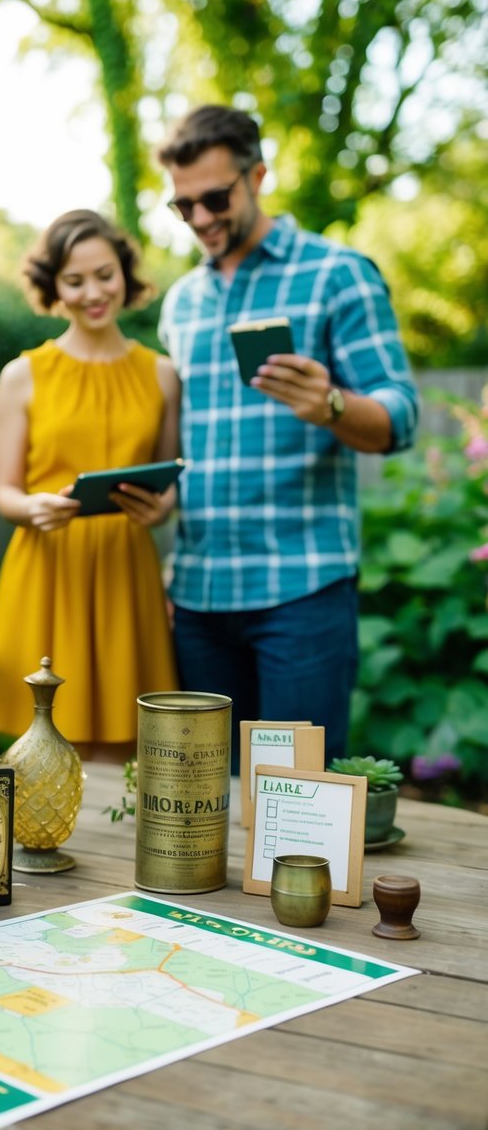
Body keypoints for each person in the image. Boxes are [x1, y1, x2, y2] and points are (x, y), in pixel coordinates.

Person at [155, 104, 420, 770]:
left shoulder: (336, 273)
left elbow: (400, 414)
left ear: (257, 176)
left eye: (215, 197)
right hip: (199, 594)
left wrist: (329, 403)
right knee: (207, 807)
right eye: (182, 207)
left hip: (300, 593)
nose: (201, 218)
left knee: (299, 806)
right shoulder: (181, 301)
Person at [0, 209, 181, 759]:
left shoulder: (160, 374)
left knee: (125, 747)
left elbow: (170, 478)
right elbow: (5, 493)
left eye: (105, 274)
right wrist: (33, 507)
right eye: (75, 279)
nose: (94, 291)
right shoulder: (23, 374)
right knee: (41, 749)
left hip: (125, 571)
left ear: (126, 275)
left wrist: (162, 510)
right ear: (53, 287)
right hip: (47, 567)